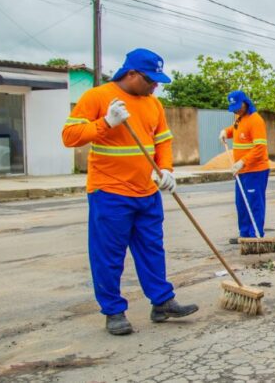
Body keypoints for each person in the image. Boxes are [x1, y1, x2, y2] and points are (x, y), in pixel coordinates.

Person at [62, 48, 198, 336]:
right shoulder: (97, 97)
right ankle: (113, 311)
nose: (155, 86)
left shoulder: (154, 105)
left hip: (147, 191)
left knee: (152, 248)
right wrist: (105, 123)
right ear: (132, 74)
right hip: (109, 191)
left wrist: (166, 170)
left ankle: (162, 302)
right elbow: (69, 137)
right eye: (150, 80)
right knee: (109, 255)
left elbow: (162, 141)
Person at [219, 90, 269, 243]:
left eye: (238, 106)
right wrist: (225, 132)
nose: (236, 110)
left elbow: (260, 148)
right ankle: (245, 234)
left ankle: (256, 235)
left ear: (245, 102)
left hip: (255, 171)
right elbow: (235, 131)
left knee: (254, 203)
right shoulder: (239, 119)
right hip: (242, 171)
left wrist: (242, 161)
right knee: (241, 203)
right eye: (233, 108)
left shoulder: (256, 120)